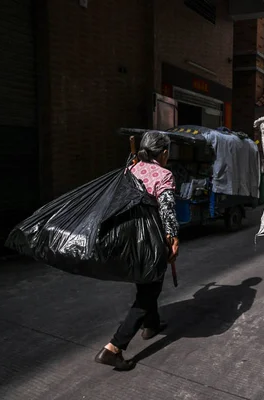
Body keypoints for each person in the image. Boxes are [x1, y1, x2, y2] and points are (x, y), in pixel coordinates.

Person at [95, 131, 180, 371]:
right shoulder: (164, 174)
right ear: (163, 153)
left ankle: (151, 325)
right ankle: (114, 348)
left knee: (146, 284)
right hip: (151, 241)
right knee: (148, 293)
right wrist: (173, 238)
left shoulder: (130, 170)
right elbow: (167, 211)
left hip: (129, 240)